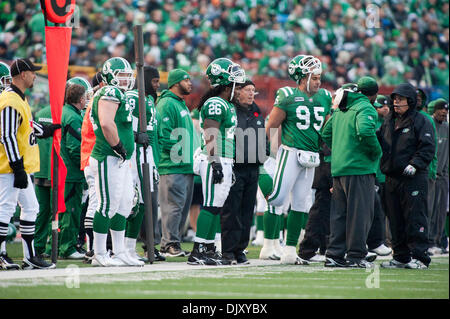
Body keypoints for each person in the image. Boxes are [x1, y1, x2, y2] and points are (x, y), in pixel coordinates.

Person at [265, 54, 332, 265]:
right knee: (276, 198)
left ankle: (289, 250)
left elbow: (327, 129)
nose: (318, 81)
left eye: (319, 77)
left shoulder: (325, 97)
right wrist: (262, 152)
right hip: (291, 151)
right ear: (302, 77)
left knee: (301, 204)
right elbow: (271, 126)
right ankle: (268, 244)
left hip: (312, 156)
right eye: (314, 77)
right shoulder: (287, 95)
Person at [0, 58, 60, 270]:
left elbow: (26, 127)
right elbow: (7, 136)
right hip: (9, 167)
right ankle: (0, 254)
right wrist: (17, 168)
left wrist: (48, 129)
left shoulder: (19, 98)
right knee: (5, 209)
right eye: (32, 72)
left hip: (18, 166)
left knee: (31, 207)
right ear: (23, 74)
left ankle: (30, 256)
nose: (35, 75)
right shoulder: (9, 100)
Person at [188, 57, 245, 265]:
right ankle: (198, 250)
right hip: (215, 157)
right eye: (234, 86)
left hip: (224, 157)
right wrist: (214, 161)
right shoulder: (215, 103)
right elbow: (210, 132)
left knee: (216, 206)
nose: (238, 90)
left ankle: (209, 248)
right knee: (210, 205)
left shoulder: (226, 104)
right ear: (223, 83)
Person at [321, 77, 382, 268]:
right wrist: (376, 152)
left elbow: (326, 133)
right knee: (360, 214)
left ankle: (334, 255)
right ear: (373, 95)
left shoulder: (340, 108)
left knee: (339, 215)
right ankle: (356, 255)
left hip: (339, 169)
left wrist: (340, 150)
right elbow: (365, 131)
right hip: (359, 168)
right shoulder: (366, 107)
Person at [89, 57, 142, 267]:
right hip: (107, 157)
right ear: (110, 76)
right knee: (106, 206)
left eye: (128, 76)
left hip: (120, 160)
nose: (125, 80)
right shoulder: (108, 92)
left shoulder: (119, 94)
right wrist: (118, 146)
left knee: (124, 204)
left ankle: (120, 251)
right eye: (121, 76)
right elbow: (106, 123)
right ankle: (99, 253)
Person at [378, 83, 435, 269]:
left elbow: (427, 147)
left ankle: (420, 257)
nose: (396, 103)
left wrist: (415, 164)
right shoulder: (388, 120)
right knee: (395, 218)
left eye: (400, 99)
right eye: (394, 99)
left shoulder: (421, 120)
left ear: (410, 101)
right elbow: (380, 142)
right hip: (392, 177)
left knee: (415, 216)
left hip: (413, 177)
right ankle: (401, 256)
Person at [220, 78, 268, 264]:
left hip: (253, 167)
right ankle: (228, 251)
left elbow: (262, 135)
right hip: (235, 167)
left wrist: (263, 153)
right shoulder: (230, 111)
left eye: (252, 90)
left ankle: (240, 249)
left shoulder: (256, 112)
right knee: (232, 210)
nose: (250, 93)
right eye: (246, 89)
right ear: (237, 91)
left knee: (248, 211)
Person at [125, 65, 164, 262]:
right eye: (154, 81)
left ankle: (144, 246)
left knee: (148, 204)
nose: (157, 85)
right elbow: (124, 125)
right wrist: (134, 137)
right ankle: (120, 246)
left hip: (150, 157)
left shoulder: (149, 99)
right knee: (135, 203)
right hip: (135, 157)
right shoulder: (133, 97)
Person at [156, 69, 194, 258]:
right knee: (173, 206)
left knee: (182, 208)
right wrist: (180, 151)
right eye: (186, 80)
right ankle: (169, 244)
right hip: (172, 165)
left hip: (186, 164)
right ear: (175, 82)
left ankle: (174, 242)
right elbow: (163, 135)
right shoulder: (167, 103)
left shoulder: (181, 104)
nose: (190, 83)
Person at [57, 83, 87, 259]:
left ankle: (63, 245)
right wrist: (85, 166)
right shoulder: (74, 117)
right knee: (71, 211)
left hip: (65, 170)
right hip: (72, 173)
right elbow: (75, 148)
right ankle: (67, 248)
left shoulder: (66, 112)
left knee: (66, 210)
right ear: (80, 98)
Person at [80, 72, 105, 263]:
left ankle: (93, 248)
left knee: (95, 202)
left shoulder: (94, 100)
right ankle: (93, 249)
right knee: (96, 203)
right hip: (94, 155)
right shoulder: (100, 100)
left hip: (90, 156)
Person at [366, 95, 392, 256]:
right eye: (380, 106)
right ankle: (373, 242)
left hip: (385, 174)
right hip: (372, 171)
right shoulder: (369, 122)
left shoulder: (388, 123)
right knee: (371, 209)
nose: (385, 108)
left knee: (383, 210)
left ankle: (381, 241)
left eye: (385, 106)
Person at [429, 99, 449, 254]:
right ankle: (428, 241)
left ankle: (437, 241)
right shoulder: (429, 125)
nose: (444, 112)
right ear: (434, 110)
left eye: (446, 110)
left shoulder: (447, 128)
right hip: (429, 175)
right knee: (429, 209)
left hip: (442, 176)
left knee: (441, 211)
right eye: (441, 109)